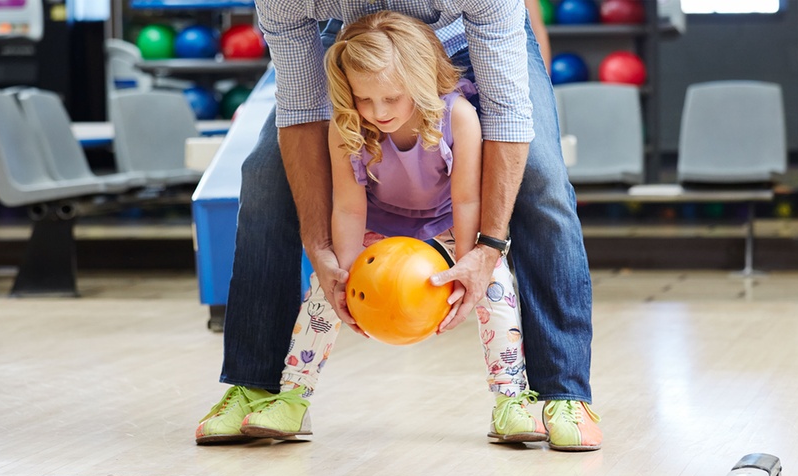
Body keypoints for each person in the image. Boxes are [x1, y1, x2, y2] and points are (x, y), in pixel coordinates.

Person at [195, 0, 602, 452]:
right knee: (265, 177)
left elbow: (506, 113)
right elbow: (299, 107)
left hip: (470, 34)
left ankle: (562, 392)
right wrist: (322, 248)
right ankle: (259, 387)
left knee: (541, 174)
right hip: (361, 44)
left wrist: (481, 253)